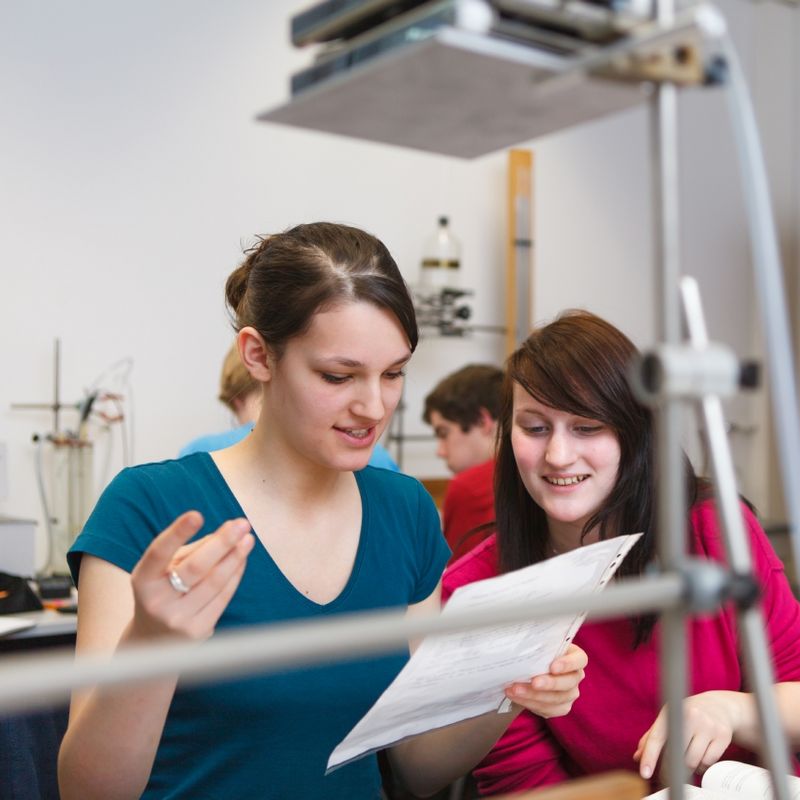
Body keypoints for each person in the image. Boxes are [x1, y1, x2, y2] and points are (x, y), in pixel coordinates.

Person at [58, 223, 587, 800]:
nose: (373, 406)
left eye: (394, 374)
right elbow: (88, 791)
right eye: (338, 376)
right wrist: (151, 644)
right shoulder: (149, 507)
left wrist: (507, 688)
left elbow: (416, 766)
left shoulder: (404, 510)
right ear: (258, 355)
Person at [442, 310, 800, 795]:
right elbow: (526, 785)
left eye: (587, 427)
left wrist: (729, 710)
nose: (559, 456)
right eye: (535, 427)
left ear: (634, 433)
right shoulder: (480, 589)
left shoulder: (715, 529)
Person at [179, 342, 400, 471]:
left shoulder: (199, 454)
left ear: (236, 400)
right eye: (336, 376)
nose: (374, 411)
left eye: (393, 374)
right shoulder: (376, 455)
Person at [422, 364, 503, 563]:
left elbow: (454, 585)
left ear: (482, 421)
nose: (440, 451)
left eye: (444, 433)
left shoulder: (469, 488)